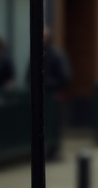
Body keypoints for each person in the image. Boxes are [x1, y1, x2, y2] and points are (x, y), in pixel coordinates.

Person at [26, 26, 71, 161]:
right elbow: (29, 75)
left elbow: (65, 76)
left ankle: (53, 150)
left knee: (53, 125)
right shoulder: (37, 54)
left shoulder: (57, 55)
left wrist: (46, 82)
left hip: (53, 97)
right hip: (39, 97)